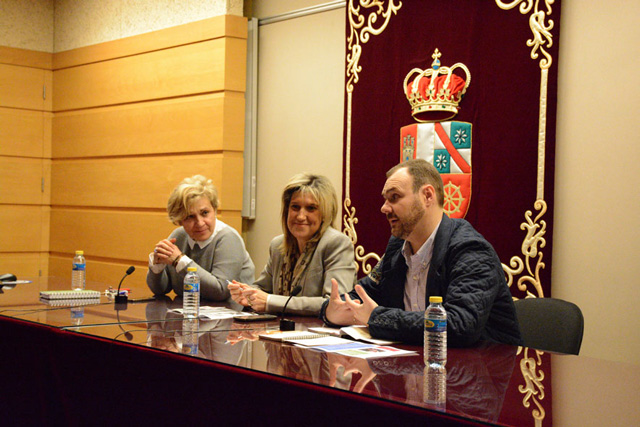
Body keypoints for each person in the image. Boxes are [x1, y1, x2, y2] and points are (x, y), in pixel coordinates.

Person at [320, 159, 522, 347]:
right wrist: (331, 311)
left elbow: (459, 325)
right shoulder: (397, 247)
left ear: (427, 196)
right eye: (385, 199)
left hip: (482, 375)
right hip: (418, 368)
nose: (384, 208)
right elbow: (363, 295)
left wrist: (378, 318)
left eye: (395, 197)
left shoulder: (470, 249)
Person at [228, 173, 356, 316]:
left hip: (319, 334)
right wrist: (246, 293)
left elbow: (335, 303)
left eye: (311, 208)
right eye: (295, 207)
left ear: (325, 214)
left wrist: (270, 301)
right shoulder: (277, 246)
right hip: (279, 332)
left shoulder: (336, 243)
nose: (301, 216)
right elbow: (263, 289)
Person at [146, 175, 254, 300]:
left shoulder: (228, 238)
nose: (200, 222)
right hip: (190, 314)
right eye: (189, 217)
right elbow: (161, 289)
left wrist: (180, 261)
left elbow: (221, 291)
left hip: (232, 315)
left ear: (214, 209)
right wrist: (157, 268)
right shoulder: (178, 236)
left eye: (205, 213)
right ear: (179, 220)